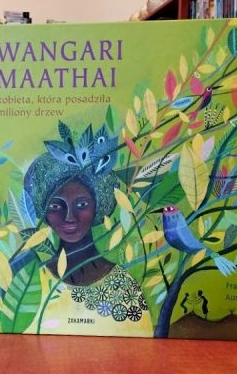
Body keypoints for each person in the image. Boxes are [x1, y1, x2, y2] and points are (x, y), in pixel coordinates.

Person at [18, 121, 152, 335]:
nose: (69, 217)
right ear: (44, 211)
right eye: (56, 206)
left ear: (98, 206)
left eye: (81, 205)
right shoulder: (29, 284)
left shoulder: (123, 287)